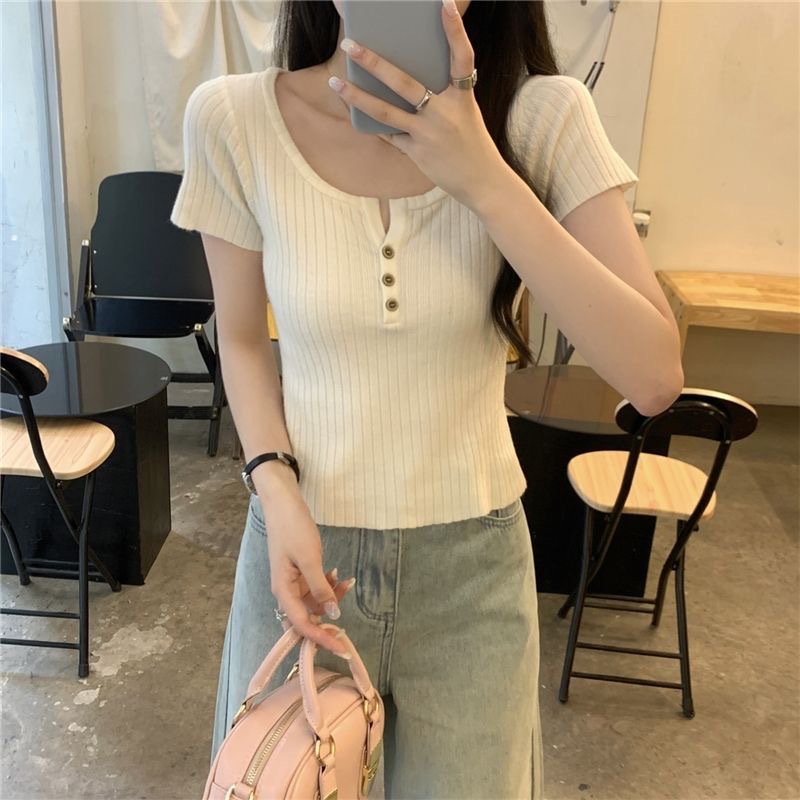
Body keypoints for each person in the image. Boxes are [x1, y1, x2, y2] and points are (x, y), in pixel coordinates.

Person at [169, 0, 684, 796]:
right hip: (299, 561)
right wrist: (274, 485)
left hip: (472, 580)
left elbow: (652, 377)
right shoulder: (234, 119)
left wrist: (483, 177)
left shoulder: (542, 117)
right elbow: (239, 339)